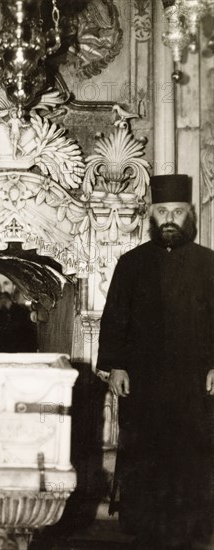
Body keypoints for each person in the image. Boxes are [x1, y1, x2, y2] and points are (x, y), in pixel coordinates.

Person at [96, 174, 214, 550]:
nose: (169, 218)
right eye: (162, 211)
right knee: (146, 452)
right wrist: (115, 366)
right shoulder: (130, 263)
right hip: (143, 380)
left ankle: (191, 531)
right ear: (151, 215)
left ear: (189, 216)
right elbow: (114, 317)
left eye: (177, 212)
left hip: (195, 382)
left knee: (191, 452)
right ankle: (146, 530)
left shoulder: (208, 263)